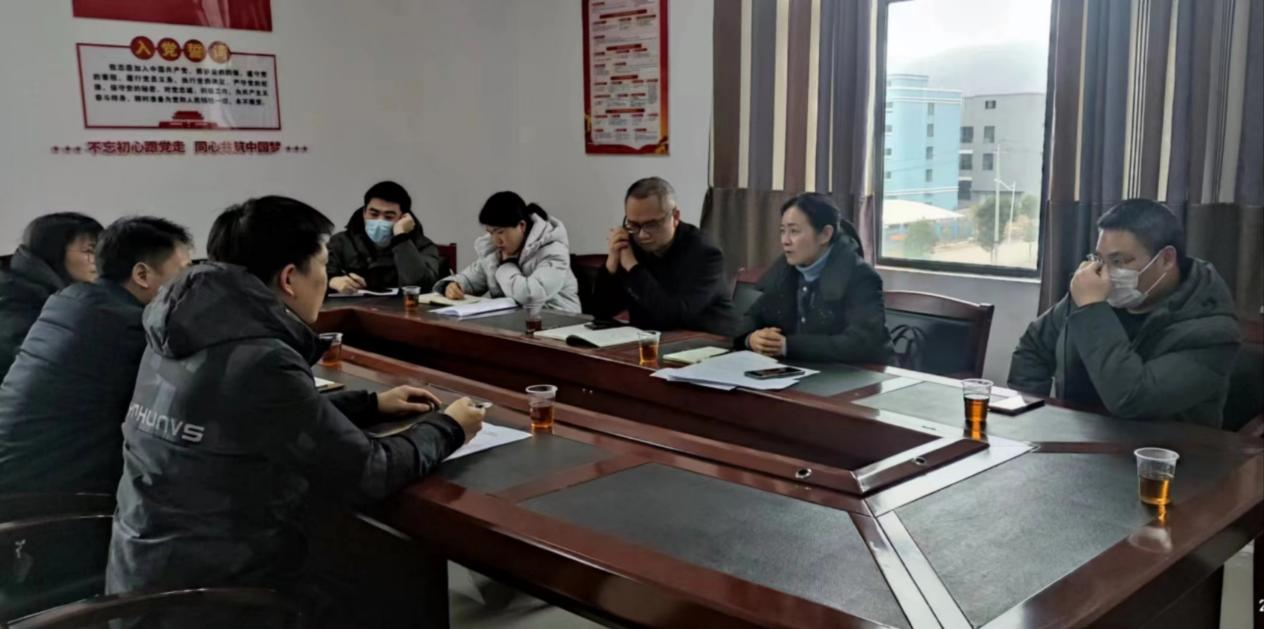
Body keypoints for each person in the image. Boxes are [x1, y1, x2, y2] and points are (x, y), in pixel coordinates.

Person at [106, 196, 485, 621]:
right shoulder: (261, 357)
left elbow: (250, 417)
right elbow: (369, 470)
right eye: (322, 265)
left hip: (144, 576)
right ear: (290, 278)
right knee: (386, 576)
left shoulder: (181, 329)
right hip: (213, 598)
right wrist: (450, 426)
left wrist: (371, 403)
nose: (325, 277)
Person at [0, 217, 193, 494]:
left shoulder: (68, 304)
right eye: (184, 273)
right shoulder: (130, 328)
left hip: (16, 477)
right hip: (50, 499)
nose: (192, 286)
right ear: (142, 275)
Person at [1008, 199, 1240, 427]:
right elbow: (1033, 347)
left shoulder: (1213, 331)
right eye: (1100, 260)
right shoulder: (1094, 294)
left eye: (1119, 261)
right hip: (1078, 438)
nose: (1106, 274)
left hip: (1167, 448)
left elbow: (1132, 398)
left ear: (1166, 259)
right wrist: (1035, 418)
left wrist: (1091, 310)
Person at [734, 193, 893, 364]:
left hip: (857, 374)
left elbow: (860, 343)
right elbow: (752, 316)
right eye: (782, 231)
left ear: (825, 234)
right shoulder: (786, 270)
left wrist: (787, 345)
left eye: (794, 231)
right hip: (800, 369)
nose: (785, 241)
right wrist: (752, 338)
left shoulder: (861, 276)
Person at [591, 177, 737, 335]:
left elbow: (673, 317)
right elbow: (599, 312)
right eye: (633, 224)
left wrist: (633, 268)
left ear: (675, 217)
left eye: (651, 225)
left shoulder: (705, 253)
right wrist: (611, 266)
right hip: (648, 340)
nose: (642, 235)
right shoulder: (631, 243)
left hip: (703, 340)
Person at [436, 191, 581, 313]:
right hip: (517, 325)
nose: (496, 241)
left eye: (500, 232)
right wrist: (452, 285)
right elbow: (470, 279)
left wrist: (506, 266)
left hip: (560, 325)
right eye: (490, 232)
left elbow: (531, 296)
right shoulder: (496, 251)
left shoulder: (553, 251)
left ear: (521, 226)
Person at [0, 212, 102, 379]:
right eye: (90, 251)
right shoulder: (15, 303)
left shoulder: (58, 296)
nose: (98, 260)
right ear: (54, 252)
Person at [326, 181, 445, 294]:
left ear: (404, 218)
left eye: (389, 217)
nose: (379, 221)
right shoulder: (340, 242)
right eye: (373, 214)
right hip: (351, 307)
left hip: (401, 308)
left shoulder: (422, 246)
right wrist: (332, 281)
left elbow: (420, 287)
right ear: (364, 212)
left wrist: (401, 238)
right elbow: (318, 277)